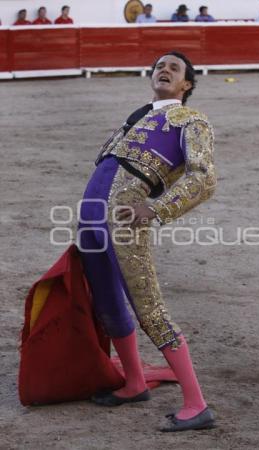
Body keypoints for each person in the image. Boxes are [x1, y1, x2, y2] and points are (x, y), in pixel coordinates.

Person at [77, 51, 217, 432]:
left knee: (148, 307)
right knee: (106, 301)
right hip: (90, 217)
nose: (164, 70)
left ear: (186, 84)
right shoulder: (136, 116)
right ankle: (135, 382)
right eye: (159, 66)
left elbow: (203, 177)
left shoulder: (191, 119)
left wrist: (156, 209)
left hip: (125, 219)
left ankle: (196, 403)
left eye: (174, 68)